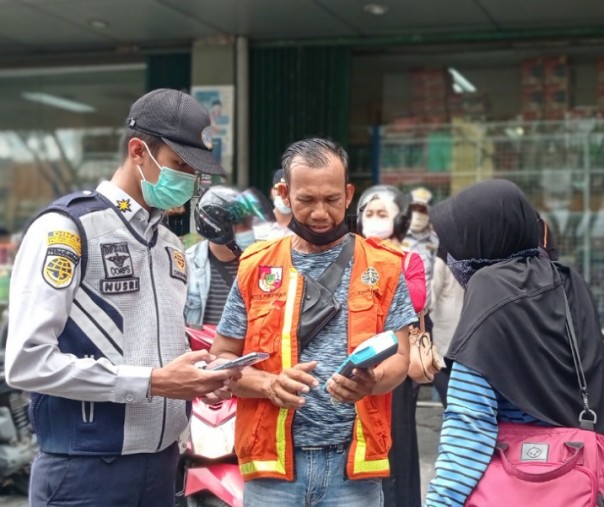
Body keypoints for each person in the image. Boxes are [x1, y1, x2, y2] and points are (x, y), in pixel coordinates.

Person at [5, 88, 243, 507]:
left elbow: (158, 350)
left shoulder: (171, 245)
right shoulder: (68, 230)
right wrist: (153, 382)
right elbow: (26, 363)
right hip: (83, 471)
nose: (188, 180)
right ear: (138, 151)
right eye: (179, 165)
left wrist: (197, 381)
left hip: (163, 468)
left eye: (195, 170)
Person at [208, 137, 416, 507]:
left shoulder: (384, 266)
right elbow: (222, 358)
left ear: (349, 194)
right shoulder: (256, 265)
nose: (321, 213)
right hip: (273, 473)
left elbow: (401, 356)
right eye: (306, 200)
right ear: (285, 194)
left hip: (352, 472)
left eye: (332, 199)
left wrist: (373, 382)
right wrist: (269, 384)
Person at [424, 179, 604, 507]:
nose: (452, 256)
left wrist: (440, 501)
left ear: (483, 236)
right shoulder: (567, 280)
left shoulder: (489, 285)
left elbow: (469, 423)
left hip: (513, 482)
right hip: (578, 479)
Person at [356, 184, 426, 507]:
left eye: (382, 213)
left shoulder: (409, 259)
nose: (373, 219)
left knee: (396, 440)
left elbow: (416, 300)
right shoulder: (352, 254)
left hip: (396, 360)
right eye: (368, 213)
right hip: (359, 358)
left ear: (400, 220)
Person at [185, 185, 262, 329]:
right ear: (218, 228)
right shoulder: (187, 265)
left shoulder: (262, 262)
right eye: (243, 225)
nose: (251, 231)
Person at [428, 245, 464, 407]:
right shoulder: (466, 257)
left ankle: (454, 411)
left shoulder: (439, 259)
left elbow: (430, 297)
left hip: (443, 330)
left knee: (439, 370)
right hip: (462, 327)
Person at [402, 186, 439, 313]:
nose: (418, 214)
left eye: (422, 210)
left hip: (425, 315)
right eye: (414, 209)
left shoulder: (436, 241)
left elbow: (437, 277)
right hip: (399, 314)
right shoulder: (396, 237)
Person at [252, 169, 294, 241]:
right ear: (272, 192)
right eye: (280, 190)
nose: (285, 195)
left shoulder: (306, 229)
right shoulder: (256, 225)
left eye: (290, 191)